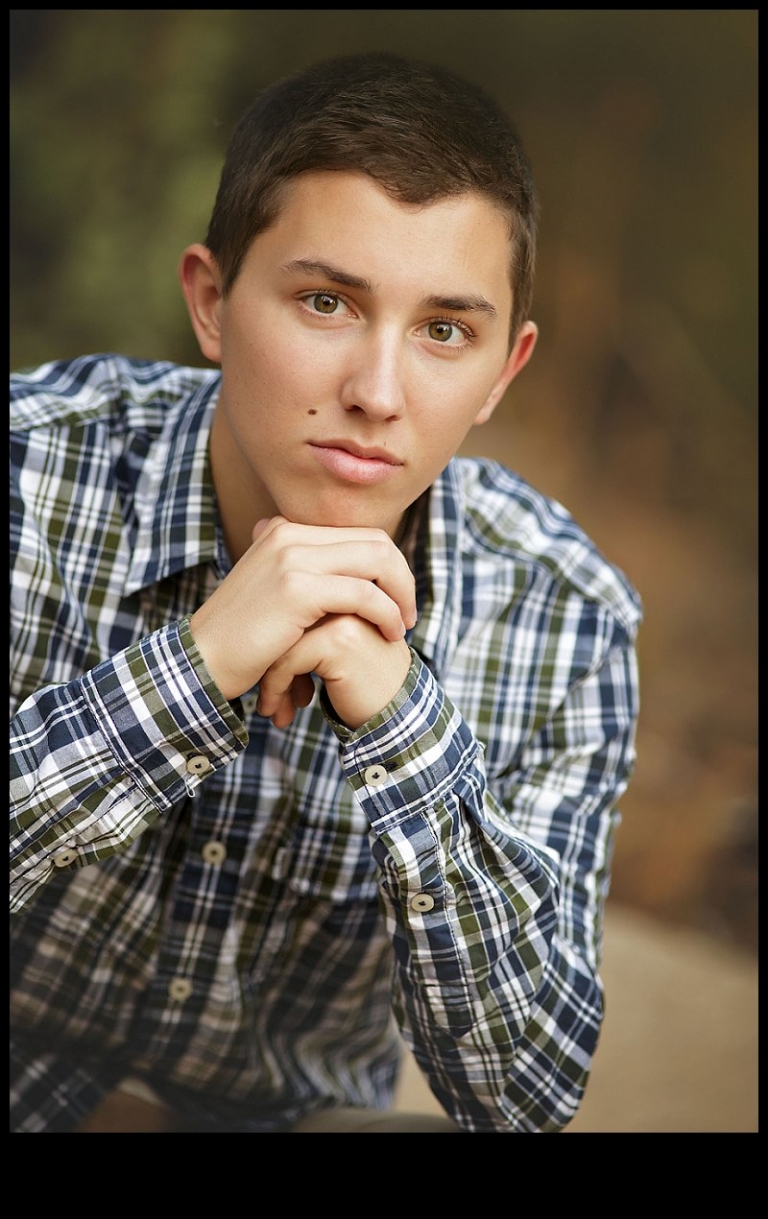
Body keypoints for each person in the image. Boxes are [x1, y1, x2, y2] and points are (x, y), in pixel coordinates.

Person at [9, 51, 641, 1134]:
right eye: (325, 301)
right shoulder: (30, 472)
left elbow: (526, 1094)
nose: (378, 394)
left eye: (445, 331)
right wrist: (191, 670)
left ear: (503, 371)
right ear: (211, 302)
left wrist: (405, 727)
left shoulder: (564, 614)